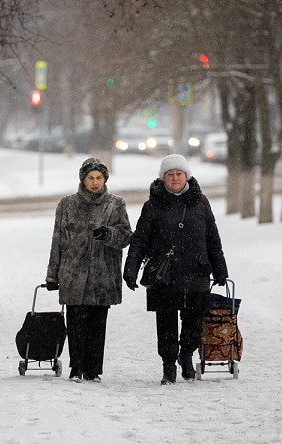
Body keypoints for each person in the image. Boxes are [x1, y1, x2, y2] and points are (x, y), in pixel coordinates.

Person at [122, 154, 228, 385]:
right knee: (166, 324)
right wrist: (131, 268)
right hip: (164, 274)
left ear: (186, 176)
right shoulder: (152, 206)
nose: (175, 178)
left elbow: (212, 238)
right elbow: (140, 240)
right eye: (170, 174)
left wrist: (220, 268)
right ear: (163, 178)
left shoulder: (201, 203)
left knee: (193, 322)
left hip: (196, 271)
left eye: (179, 173)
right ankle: (168, 365)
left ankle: (187, 355)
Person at [46, 158, 132, 382]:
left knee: (97, 324)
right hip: (73, 273)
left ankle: (93, 370)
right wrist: (52, 275)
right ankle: (76, 368)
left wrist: (109, 234)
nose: (95, 183)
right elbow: (58, 241)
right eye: (90, 178)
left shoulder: (115, 204)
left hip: (103, 274)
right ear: (82, 179)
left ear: (105, 180)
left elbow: (126, 236)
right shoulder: (67, 205)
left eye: (99, 178)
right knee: (75, 323)